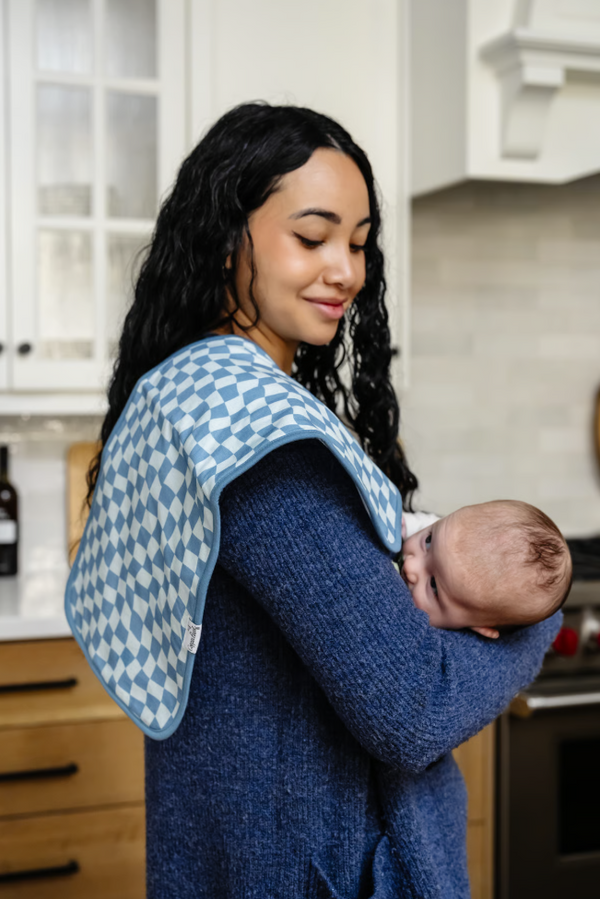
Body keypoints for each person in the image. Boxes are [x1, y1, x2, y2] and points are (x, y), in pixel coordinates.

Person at [69, 103, 561, 898]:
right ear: (230, 235)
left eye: (360, 243)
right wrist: (538, 617)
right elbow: (413, 707)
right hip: (305, 867)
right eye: (312, 237)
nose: (347, 270)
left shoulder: (193, 394)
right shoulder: (258, 444)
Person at [401, 501, 572, 639]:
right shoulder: (447, 537)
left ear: (481, 627)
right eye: (429, 541)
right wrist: (405, 523)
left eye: (433, 585)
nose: (410, 566)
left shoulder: (437, 648)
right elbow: (432, 523)